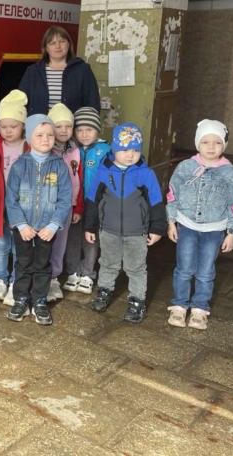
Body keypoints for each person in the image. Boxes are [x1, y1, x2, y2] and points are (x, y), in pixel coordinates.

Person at [165, 119, 233, 330]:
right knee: (184, 268)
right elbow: (173, 194)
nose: (211, 147)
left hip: (214, 229)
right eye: (206, 141)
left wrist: (232, 232)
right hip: (187, 225)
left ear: (224, 145)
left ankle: (200, 308)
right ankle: (179, 305)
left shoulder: (231, 173)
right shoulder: (186, 167)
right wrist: (171, 221)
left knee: (205, 271)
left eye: (217, 142)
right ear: (197, 143)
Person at [84, 122, 166, 324]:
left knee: (136, 267)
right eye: (125, 149)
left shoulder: (146, 174)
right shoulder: (103, 172)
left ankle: (137, 301)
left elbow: (156, 202)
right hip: (108, 230)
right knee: (108, 264)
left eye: (136, 150)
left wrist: (157, 228)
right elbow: (92, 201)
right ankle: (104, 292)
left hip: (137, 232)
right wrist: (90, 226)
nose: (130, 154)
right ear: (114, 148)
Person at [4, 114, 72, 325]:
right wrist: (21, 225)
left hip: (47, 227)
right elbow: (11, 199)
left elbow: (65, 199)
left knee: (43, 263)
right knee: (23, 263)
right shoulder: (19, 166)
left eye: (50, 135)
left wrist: (53, 225)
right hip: (22, 227)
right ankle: (21, 298)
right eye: (40, 134)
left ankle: (40, 299)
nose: (46, 139)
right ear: (29, 137)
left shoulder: (59, 166)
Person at [0, 89, 29, 304]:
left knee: (20, 247)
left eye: (14, 126)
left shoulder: (29, 147)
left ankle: (15, 282)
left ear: (23, 126)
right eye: (4, 126)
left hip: (21, 206)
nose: (8, 131)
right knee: (0, 246)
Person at [62, 106, 110, 295]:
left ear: (97, 130)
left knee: (91, 239)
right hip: (74, 203)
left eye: (88, 130)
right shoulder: (70, 149)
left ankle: (88, 274)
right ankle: (73, 271)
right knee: (72, 239)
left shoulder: (105, 150)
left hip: (95, 204)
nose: (83, 134)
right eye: (79, 130)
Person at [45, 103, 84, 302]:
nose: (63, 130)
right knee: (43, 242)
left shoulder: (75, 151)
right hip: (46, 205)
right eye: (58, 126)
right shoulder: (45, 150)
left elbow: (79, 180)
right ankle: (40, 277)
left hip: (66, 206)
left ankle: (53, 279)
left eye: (67, 126)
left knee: (60, 243)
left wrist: (77, 206)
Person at [18, 25, 100, 115]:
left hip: (71, 127)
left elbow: (92, 103)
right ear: (46, 48)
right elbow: (20, 102)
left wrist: (85, 126)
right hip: (39, 127)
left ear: (69, 44)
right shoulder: (33, 71)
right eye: (52, 43)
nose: (58, 46)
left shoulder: (83, 70)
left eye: (62, 41)